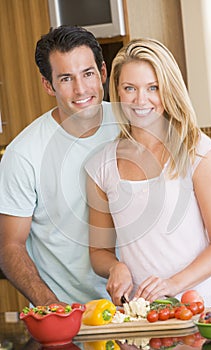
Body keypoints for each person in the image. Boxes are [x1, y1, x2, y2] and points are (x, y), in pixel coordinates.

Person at [85, 38, 211, 308]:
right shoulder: (101, 166)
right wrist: (115, 267)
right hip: (144, 314)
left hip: (205, 309)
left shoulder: (198, 152)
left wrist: (172, 284)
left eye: (152, 88)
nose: (140, 100)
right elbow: (99, 251)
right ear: (117, 92)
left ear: (168, 90)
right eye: (129, 88)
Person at [0, 25, 119, 307]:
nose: (81, 89)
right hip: (68, 312)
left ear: (102, 73)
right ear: (48, 85)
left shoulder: (132, 125)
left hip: (139, 310)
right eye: (66, 78)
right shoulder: (23, 154)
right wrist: (53, 308)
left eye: (88, 74)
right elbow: (9, 246)